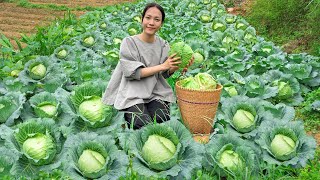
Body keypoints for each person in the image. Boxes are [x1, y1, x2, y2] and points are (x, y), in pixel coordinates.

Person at [102, 2, 193, 129]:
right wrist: (163, 66)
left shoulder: (163, 45)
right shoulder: (129, 42)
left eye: (157, 20)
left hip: (155, 93)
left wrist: (176, 66)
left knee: (162, 119)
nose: (151, 22)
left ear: (161, 24)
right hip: (132, 94)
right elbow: (134, 73)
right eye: (148, 18)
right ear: (142, 19)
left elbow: (165, 74)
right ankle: (125, 117)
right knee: (142, 125)